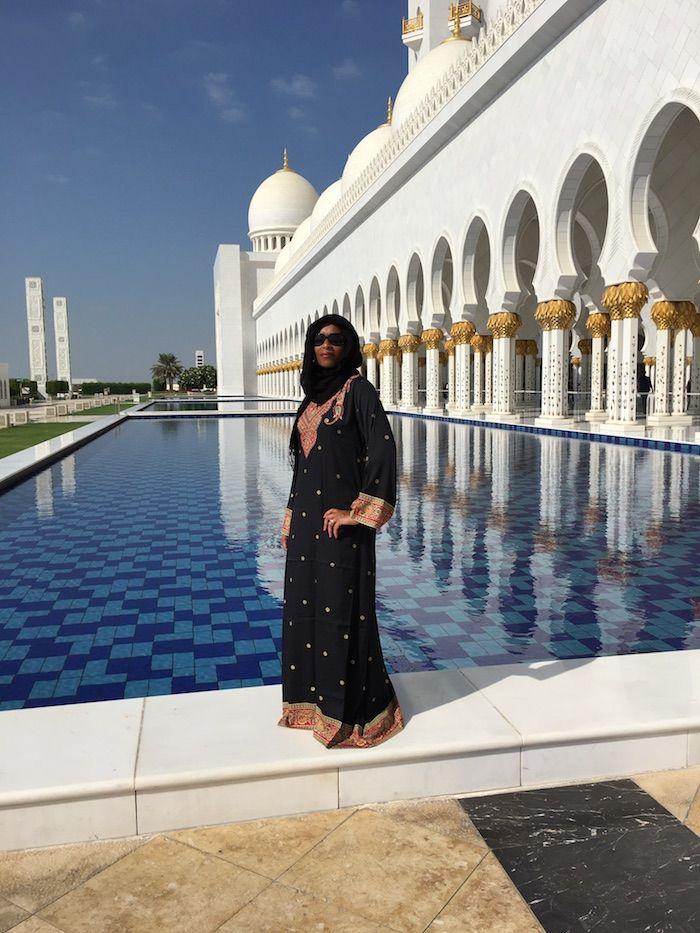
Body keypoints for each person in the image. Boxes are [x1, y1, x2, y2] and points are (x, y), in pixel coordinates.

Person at [279, 313, 405, 748]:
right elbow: (304, 466)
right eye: (318, 339)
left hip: (340, 529)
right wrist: (291, 512)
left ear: (348, 346)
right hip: (308, 526)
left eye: (335, 339)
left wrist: (359, 512)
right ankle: (312, 704)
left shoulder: (359, 392)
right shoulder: (312, 400)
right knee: (307, 609)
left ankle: (355, 714)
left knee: (343, 616)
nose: (326, 346)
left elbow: (383, 453)